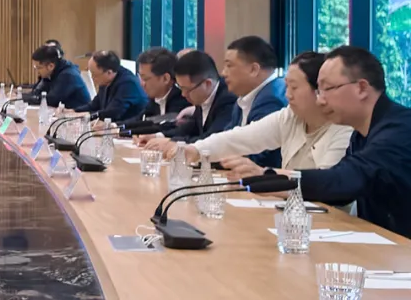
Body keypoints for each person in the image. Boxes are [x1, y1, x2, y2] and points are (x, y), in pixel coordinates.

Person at [152, 51, 353, 172]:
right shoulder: (290, 116)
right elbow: (242, 138)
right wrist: (195, 150)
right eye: (287, 86)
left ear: (318, 89)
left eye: (294, 87)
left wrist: (265, 175)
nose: (287, 94)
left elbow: (326, 182)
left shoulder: (343, 127)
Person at [295, 47, 411, 238]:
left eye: (327, 89)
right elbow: (341, 194)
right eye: (318, 91)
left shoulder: (400, 129)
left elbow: (344, 181)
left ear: (362, 88)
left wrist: (273, 177)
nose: (320, 101)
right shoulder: (359, 134)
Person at [141, 50, 237, 146]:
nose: (183, 94)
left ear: (207, 84)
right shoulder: (202, 97)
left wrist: (171, 142)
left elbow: (211, 140)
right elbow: (189, 128)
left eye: (187, 89)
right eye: (181, 88)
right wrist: (158, 136)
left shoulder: (227, 100)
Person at [222, 36, 288, 167]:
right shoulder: (243, 99)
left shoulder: (271, 99)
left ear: (254, 70)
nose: (223, 73)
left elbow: (259, 156)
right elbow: (227, 139)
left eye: (229, 66)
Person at [77, 51, 147, 122]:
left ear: (109, 73)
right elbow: (94, 105)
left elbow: (113, 112)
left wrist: (87, 116)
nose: (92, 78)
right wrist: (75, 111)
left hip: (131, 126)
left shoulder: (128, 83)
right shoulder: (105, 80)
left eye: (95, 75)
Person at [25, 43, 89, 109]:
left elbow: (51, 100)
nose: (37, 71)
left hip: (80, 113)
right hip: (64, 112)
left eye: (39, 67)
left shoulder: (68, 75)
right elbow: (36, 93)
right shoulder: (50, 74)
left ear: (51, 66)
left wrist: (23, 98)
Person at [136, 47, 190, 119]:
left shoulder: (183, 102)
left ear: (165, 78)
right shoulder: (153, 101)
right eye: (140, 78)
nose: (142, 84)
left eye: (145, 79)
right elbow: (138, 120)